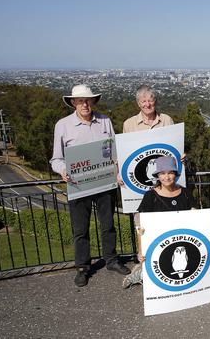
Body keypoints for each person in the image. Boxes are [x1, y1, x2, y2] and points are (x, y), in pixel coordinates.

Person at [50, 84, 130, 287]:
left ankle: (111, 260)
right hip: (78, 185)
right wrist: (63, 171)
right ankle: (82, 268)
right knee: (80, 229)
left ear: (93, 101)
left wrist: (119, 172)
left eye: (88, 100)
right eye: (80, 101)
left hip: (105, 183)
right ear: (73, 103)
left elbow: (114, 152)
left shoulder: (105, 120)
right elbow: (56, 159)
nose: (84, 104)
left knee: (108, 225)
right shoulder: (63, 125)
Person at [122, 156, 194, 288]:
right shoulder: (150, 196)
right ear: (158, 176)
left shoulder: (185, 193)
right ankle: (139, 273)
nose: (167, 177)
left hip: (182, 240)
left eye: (170, 173)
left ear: (175, 174)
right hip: (159, 242)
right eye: (163, 173)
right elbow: (140, 224)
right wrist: (141, 250)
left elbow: (196, 218)